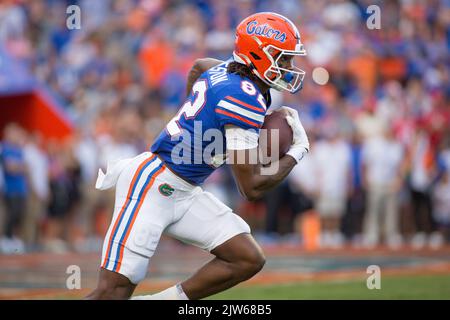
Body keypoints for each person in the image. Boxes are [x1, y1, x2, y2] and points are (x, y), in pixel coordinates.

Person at [86, 12, 310, 300]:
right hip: (153, 185)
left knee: (247, 257)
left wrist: (192, 117)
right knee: (111, 294)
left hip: (186, 191)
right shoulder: (242, 96)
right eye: (283, 58)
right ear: (257, 53)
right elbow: (251, 187)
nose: (289, 67)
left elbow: (200, 66)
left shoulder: (232, 71)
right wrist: (297, 152)